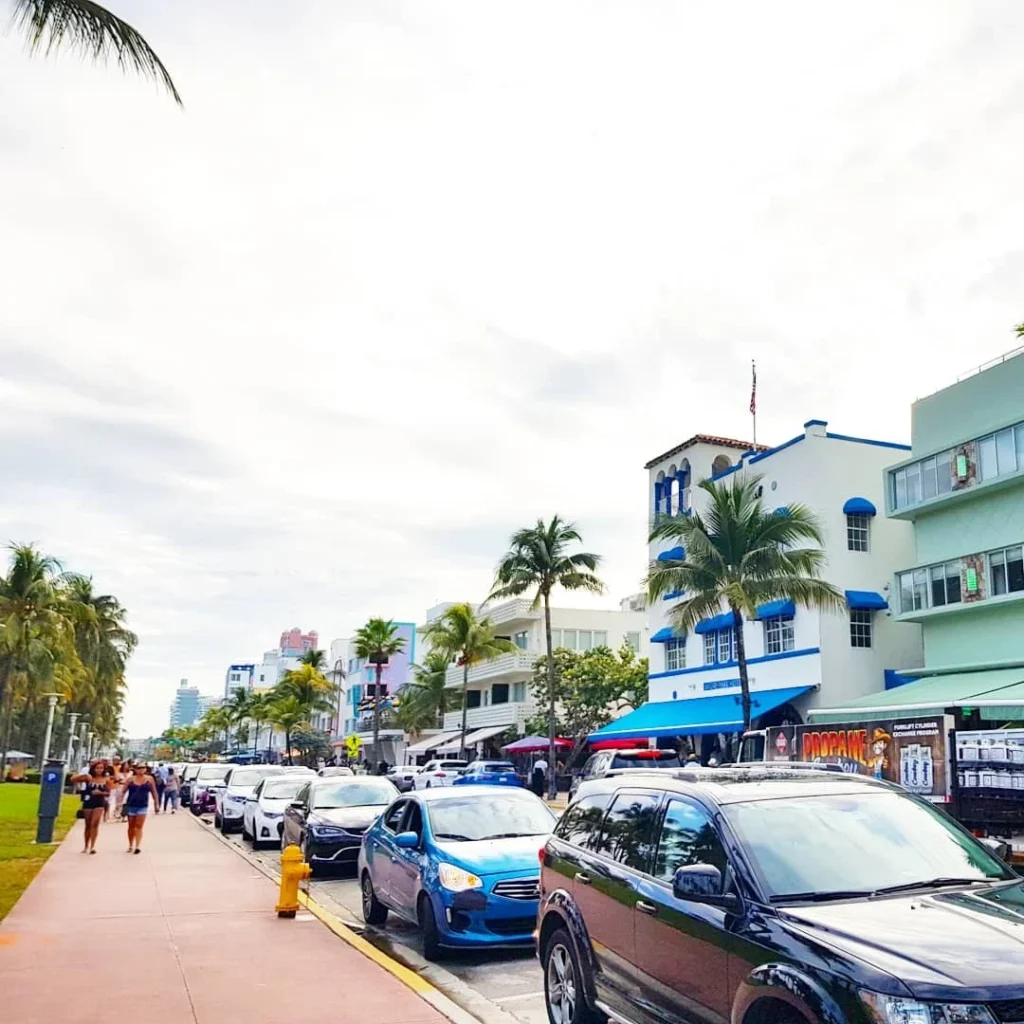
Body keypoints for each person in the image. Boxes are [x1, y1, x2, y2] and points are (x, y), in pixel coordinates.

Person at [71, 760, 113, 854]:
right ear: (93, 769)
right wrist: (82, 776)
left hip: (99, 803)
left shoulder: (106, 779)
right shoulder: (89, 778)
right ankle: (86, 845)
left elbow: (108, 793)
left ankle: (93, 846)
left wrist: (101, 793)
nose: (99, 770)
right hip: (88, 802)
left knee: (95, 823)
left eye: (101, 768)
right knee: (88, 824)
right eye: (97, 768)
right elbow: (73, 779)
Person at [123, 762, 159, 853]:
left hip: (143, 805)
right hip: (131, 805)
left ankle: (137, 846)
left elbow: (154, 792)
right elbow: (123, 791)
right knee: (131, 826)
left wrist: (156, 803)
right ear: (135, 769)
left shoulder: (150, 779)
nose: (141, 769)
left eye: (143, 767)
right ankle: (131, 844)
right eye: (139, 768)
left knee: (138, 826)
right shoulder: (131, 779)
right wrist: (120, 804)